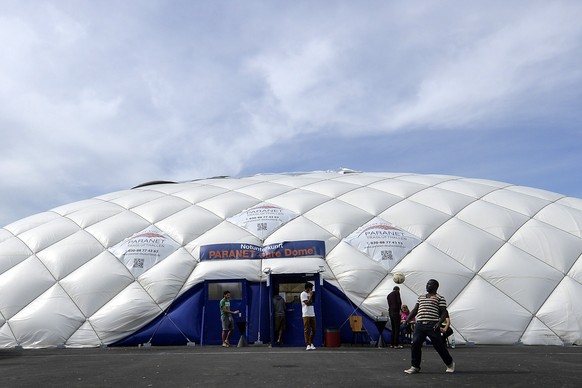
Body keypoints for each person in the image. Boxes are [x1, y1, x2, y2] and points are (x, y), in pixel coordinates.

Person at [403, 279, 455, 374]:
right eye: (427, 283)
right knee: (415, 343)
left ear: (435, 286)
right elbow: (415, 310)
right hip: (420, 324)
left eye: (429, 284)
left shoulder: (440, 298)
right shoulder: (421, 297)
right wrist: (408, 319)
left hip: (433, 324)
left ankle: (450, 363)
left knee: (439, 346)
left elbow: (444, 313)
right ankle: (415, 366)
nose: (427, 285)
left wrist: (439, 323)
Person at [300, 282, 316, 350]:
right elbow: (307, 303)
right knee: (306, 329)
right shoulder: (303, 294)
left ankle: (311, 342)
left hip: (312, 313)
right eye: (311, 288)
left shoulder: (311, 293)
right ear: (308, 288)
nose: (312, 289)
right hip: (306, 314)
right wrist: (310, 296)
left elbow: (313, 302)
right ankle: (308, 344)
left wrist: (312, 295)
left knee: (314, 329)